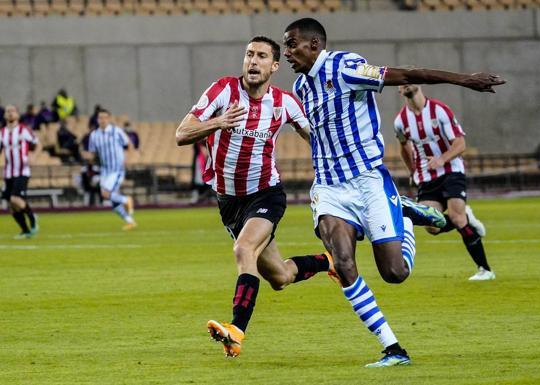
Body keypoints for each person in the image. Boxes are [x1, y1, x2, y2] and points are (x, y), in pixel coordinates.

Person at [282, 17, 505, 367]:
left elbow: (406, 74)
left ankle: (406, 215)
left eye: (291, 44)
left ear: (314, 45)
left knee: (394, 274)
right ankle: (393, 348)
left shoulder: (346, 67)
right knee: (343, 262)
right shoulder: (301, 88)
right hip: (328, 187)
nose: (287, 52)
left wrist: (465, 80)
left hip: (368, 181)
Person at [175, 36, 334, 358]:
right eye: (249, 54)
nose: (253, 61)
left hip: (266, 193)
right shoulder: (222, 91)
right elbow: (182, 133)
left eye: (261, 56)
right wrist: (219, 122)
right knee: (280, 276)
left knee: (243, 248)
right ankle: (330, 261)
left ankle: (236, 330)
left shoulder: (284, 102)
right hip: (229, 201)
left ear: (274, 66)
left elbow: (316, 139)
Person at [394, 84, 495, 281]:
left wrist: (442, 159)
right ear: (399, 90)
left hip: (451, 171)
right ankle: (467, 218)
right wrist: (412, 172)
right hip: (426, 178)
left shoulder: (440, 110)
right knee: (431, 226)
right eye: (401, 82)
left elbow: (460, 144)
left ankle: (485, 270)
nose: (405, 83)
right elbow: (403, 147)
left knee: (457, 219)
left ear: (419, 84)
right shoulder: (400, 121)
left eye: (410, 78)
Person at [86, 108, 137, 230]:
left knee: (106, 194)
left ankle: (126, 199)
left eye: (104, 117)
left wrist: (127, 159)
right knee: (111, 200)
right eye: (100, 118)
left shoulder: (116, 131)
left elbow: (129, 144)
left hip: (117, 169)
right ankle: (130, 221)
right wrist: (89, 159)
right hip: (104, 170)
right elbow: (93, 154)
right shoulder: (94, 135)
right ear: (97, 120)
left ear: (109, 119)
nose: (102, 120)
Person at [0, 105, 40, 239]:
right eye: (8, 111)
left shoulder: (24, 130)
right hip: (8, 173)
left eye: (13, 111)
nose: (10, 113)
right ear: (5, 115)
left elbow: (37, 143)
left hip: (22, 170)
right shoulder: (2, 132)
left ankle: (32, 217)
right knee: (11, 205)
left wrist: (34, 156)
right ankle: (25, 230)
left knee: (15, 198)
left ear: (17, 114)